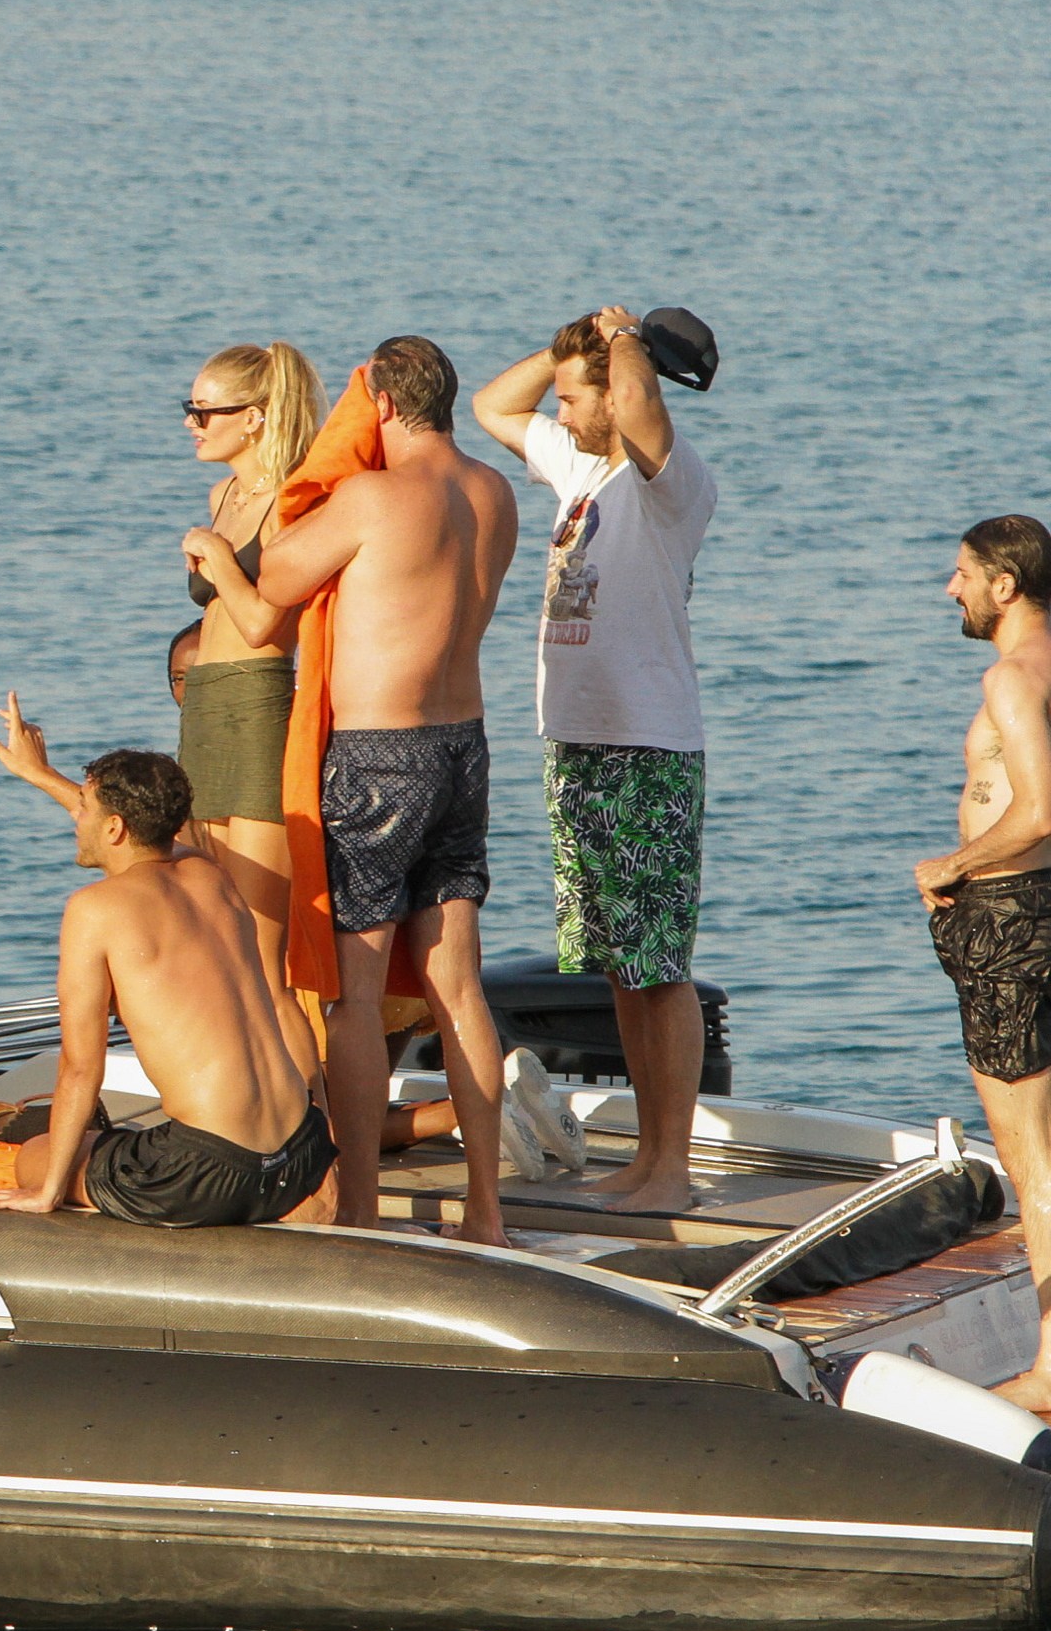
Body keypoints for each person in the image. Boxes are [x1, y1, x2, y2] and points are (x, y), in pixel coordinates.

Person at [252, 338, 519, 1241]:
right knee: (459, 989)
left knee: (354, 998)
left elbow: (276, 571)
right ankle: (486, 1213)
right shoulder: (493, 491)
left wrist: (333, 449)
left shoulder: (371, 497)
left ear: (384, 407)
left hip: (376, 756)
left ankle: (360, 1208)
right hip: (463, 747)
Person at [472, 306, 719, 1214]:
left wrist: (620, 343)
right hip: (576, 746)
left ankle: (673, 1166)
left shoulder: (673, 482)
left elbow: (644, 407)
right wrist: (565, 349)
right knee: (619, 965)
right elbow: (495, 410)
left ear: (619, 391)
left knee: (661, 967)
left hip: (649, 742)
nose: (563, 413)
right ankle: (647, 1161)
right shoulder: (577, 468)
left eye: (579, 399)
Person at [916, 516, 1051, 1414]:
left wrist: (949, 866)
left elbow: (1034, 812)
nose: (949, 589)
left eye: (961, 574)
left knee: (1030, 1159)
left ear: (1005, 584)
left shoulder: (1012, 677)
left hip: (1014, 920)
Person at [0, 750, 332, 1228]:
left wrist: (49, 1189)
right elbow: (150, 835)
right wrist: (42, 777)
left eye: (83, 807)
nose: (75, 817)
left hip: (207, 1173)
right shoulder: (211, 875)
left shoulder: (93, 910)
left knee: (34, 1153)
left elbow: (81, 1069)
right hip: (301, 1158)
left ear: (115, 828)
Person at [172, 339, 328, 1082]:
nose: (192, 424)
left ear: (257, 418)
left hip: (263, 705)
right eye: (190, 409)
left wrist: (219, 562)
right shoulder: (224, 497)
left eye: (206, 411)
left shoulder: (295, 499)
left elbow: (273, 623)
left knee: (266, 957)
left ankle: (312, 1130)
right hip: (206, 706)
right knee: (223, 939)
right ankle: (257, 1105)